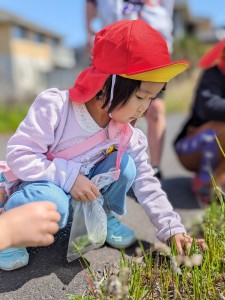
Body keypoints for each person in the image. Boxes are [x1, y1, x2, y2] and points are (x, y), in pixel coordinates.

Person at [0, 20, 206, 271]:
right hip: (46, 185)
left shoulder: (126, 133)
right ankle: (12, 226)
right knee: (53, 201)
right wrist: (69, 177)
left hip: (85, 192)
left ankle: (102, 215)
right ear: (108, 84)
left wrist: (172, 229)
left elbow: (147, 184)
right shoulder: (56, 108)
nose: (145, 108)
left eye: (152, 97)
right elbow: (19, 154)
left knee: (127, 166)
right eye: (141, 96)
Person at [86, 0, 175, 179]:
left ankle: (154, 169)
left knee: (155, 110)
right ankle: (115, 164)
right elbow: (91, 8)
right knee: (120, 111)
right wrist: (90, 32)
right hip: (116, 59)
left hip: (151, 61)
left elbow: (167, 20)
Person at [174, 44, 225, 206]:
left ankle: (219, 179)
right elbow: (210, 106)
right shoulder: (212, 75)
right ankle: (206, 183)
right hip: (191, 147)